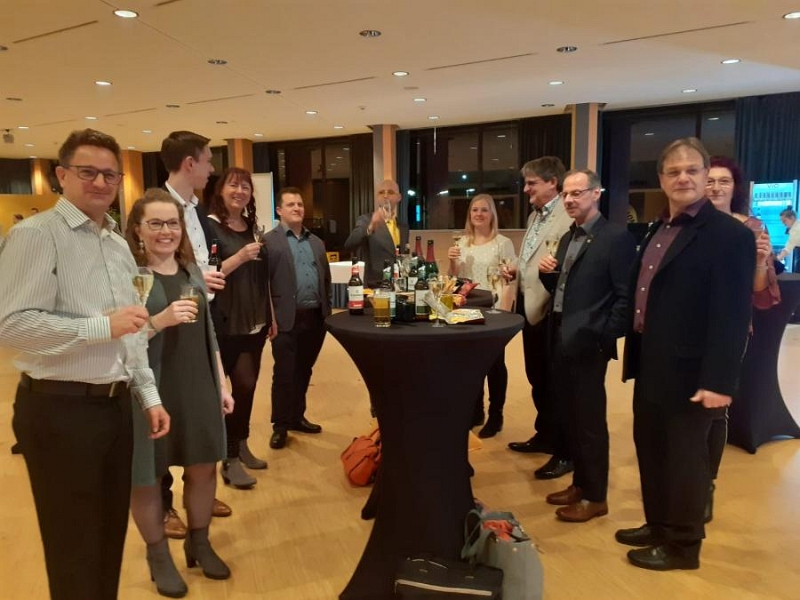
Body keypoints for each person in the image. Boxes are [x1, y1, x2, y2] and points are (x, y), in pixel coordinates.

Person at [0, 128, 169, 600]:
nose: (100, 182)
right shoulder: (36, 235)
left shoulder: (116, 243)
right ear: (62, 175)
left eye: (110, 174)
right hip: (59, 411)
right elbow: (11, 326)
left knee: (108, 538)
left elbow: (132, 328)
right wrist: (100, 327)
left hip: (115, 408)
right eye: (87, 171)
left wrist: (147, 394)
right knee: (72, 546)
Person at [618, 137, 755, 571]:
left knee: (685, 461)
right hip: (653, 362)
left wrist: (719, 380)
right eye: (673, 171)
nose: (683, 178)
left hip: (693, 371)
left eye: (692, 170)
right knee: (652, 449)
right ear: (661, 179)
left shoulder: (729, 235)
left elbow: (733, 314)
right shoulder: (659, 229)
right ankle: (659, 524)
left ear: (705, 175)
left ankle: (682, 545)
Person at [126, 189, 234, 596]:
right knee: (148, 475)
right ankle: (158, 556)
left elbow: (209, 331)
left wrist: (221, 380)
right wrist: (160, 320)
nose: (166, 231)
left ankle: (199, 542)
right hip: (149, 385)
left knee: (203, 465)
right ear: (138, 229)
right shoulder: (130, 275)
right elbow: (121, 339)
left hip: (196, 381)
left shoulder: (191, 271)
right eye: (155, 223)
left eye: (172, 223)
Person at [538, 169, 636, 522]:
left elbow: (625, 297)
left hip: (590, 342)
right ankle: (580, 484)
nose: (569, 199)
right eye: (566, 193)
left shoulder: (616, 238)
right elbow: (565, 292)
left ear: (597, 193)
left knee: (590, 423)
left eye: (577, 193)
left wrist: (604, 337)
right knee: (571, 417)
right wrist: (547, 276)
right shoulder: (569, 237)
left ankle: (595, 497)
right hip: (562, 335)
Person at [160, 130, 231, 536]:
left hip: (201, 316)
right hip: (169, 323)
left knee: (200, 411)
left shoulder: (195, 209)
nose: (211, 169)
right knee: (167, 413)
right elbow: (151, 270)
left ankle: (198, 490)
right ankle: (164, 505)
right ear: (189, 163)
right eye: (207, 161)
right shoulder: (158, 207)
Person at [704, 155, 780, 521]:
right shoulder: (688, 223)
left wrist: (761, 260)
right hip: (684, 328)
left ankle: (706, 486)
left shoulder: (750, 228)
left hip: (729, 330)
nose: (716, 187)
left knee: (715, 408)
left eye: (724, 181)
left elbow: (759, 291)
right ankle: (681, 479)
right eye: (710, 180)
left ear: (735, 188)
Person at [207, 167, 276, 488]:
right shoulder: (209, 227)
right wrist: (240, 257)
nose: (240, 191)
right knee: (225, 394)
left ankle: (242, 444)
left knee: (246, 388)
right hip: (224, 322)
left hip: (255, 321)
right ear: (221, 190)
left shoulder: (252, 228)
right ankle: (229, 456)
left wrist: (271, 316)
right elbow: (207, 275)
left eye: (245, 187)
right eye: (233, 185)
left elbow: (263, 278)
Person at [506, 157, 574, 479]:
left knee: (556, 382)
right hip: (529, 305)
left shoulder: (567, 216)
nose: (526, 189)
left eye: (532, 183)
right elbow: (535, 257)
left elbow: (562, 265)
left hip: (551, 310)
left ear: (552, 182)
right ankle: (545, 434)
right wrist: (517, 270)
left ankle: (563, 448)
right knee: (537, 375)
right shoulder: (535, 215)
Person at [264, 187, 331, 449]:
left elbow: (325, 279)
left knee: (304, 370)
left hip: (314, 319)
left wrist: (327, 313)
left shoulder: (316, 242)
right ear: (279, 210)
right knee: (284, 373)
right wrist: (269, 318)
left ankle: (296, 417)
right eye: (290, 204)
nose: (297, 208)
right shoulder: (269, 242)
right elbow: (264, 285)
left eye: (300, 204)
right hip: (284, 319)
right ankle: (280, 426)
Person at [447, 194, 516, 438]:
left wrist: (505, 313)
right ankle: (475, 411)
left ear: (492, 214)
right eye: (474, 209)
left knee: (494, 364)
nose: (479, 214)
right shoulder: (462, 243)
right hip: (467, 308)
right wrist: (452, 262)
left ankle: (496, 415)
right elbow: (454, 279)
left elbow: (509, 280)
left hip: (493, 309)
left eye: (484, 210)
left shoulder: (503, 243)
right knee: (470, 363)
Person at [344, 179, 409, 287]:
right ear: (377, 197)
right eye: (381, 192)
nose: (385, 196)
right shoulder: (366, 220)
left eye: (390, 192)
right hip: (375, 286)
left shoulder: (403, 227)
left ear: (399, 197)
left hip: (399, 285)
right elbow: (349, 244)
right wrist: (370, 228)